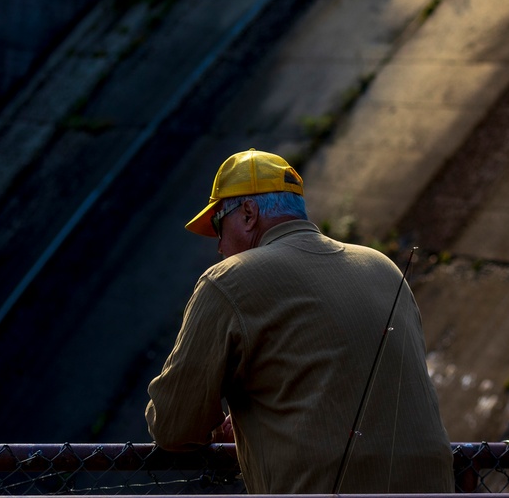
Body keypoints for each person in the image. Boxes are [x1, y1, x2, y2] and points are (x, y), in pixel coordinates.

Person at [145, 148, 454, 494]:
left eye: (219, 225)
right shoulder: (383, 268)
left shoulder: (228, 281)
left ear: (248, 214)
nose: (219, 245)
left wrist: (217, 428)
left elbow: (172, 425)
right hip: (434, 490)